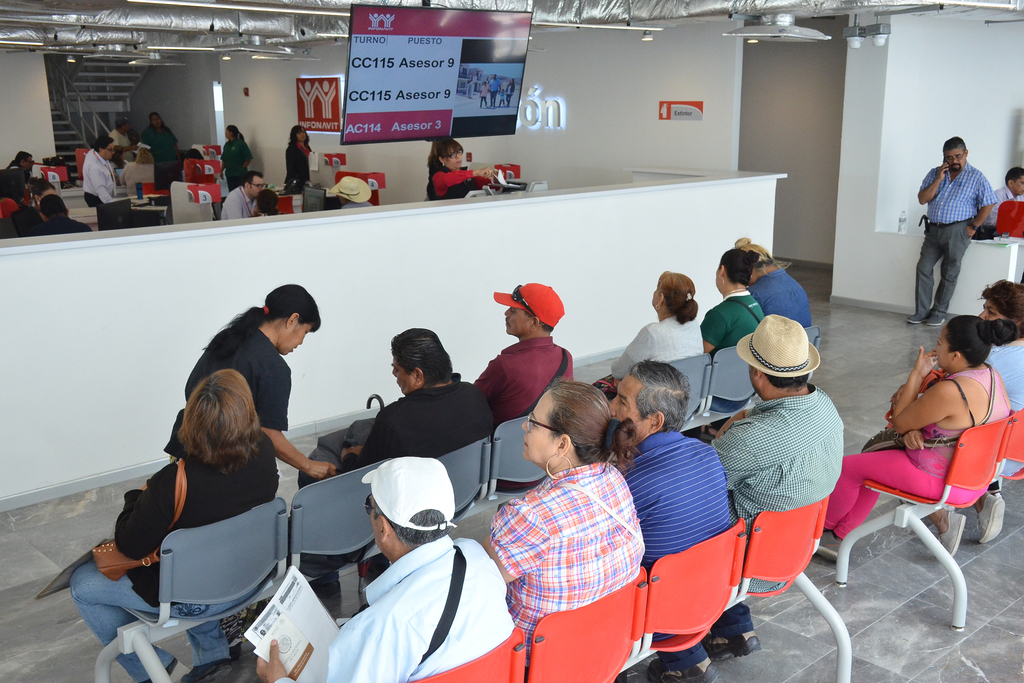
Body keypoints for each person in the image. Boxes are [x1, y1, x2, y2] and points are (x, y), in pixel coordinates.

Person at [72, 369, 279, 683]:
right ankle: (212, 657)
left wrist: (138, 495)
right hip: (252, 578)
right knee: (199, 555)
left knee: (83, 586)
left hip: (197, 598)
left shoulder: (173, 483)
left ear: (190, 422)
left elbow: (129, 544)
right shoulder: (264, 450)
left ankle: (155, 670)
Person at [256, 457, 514, 683]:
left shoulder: (378, 631)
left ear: (384, 528)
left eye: (370, 506)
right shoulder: (478, 560)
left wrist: (278, 680)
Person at [695, 315, 842, 663]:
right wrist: (744, 419)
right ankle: (733, 628)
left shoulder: (751, 439)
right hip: (798, 542)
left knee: (675, 516)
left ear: (757, 373)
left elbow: (701, 487)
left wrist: (730, 431)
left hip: (750, 557)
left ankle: (684, 655)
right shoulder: (824, 405)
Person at [822, 316, 1014, 559]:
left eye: (940, 343)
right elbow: (940, 421)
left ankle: (821, 530)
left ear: (956, 356)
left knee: (847, 469)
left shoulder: (952, 391)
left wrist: (917, 374)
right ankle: (839, 537)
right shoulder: (992, 375)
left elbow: (900, 422)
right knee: (871, 463)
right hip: (977, 477)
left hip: (942, 480)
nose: (935, 348)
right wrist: (913, 428)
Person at [487, 380, 645, 661]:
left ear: (562, 444)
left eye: (533, 422)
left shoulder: (531, 515)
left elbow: (481, 580)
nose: (524, 426)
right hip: (602, 647)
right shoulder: (613, 479)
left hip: (533, 661)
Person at [610, 360, 732, 683]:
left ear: (655, 420)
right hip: (711, 597)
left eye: (622, 401)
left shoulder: (629, 482)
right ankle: (687, 661)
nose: (611, 408)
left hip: (657, 617)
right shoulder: (708, 454)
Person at [164, 284, 334, 482]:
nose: (301, 342)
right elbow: (268, 434)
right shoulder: (272, 366)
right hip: (222, 467)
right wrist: (310, 467)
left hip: (183, 451)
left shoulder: (228, 338)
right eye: (305, 332)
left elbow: (191, 390)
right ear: (293, 320)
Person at [307, 328, 493, 480]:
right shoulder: (474, 395)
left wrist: (350, 455)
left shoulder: (393, 420)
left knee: (326, 449)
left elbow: (357, 479)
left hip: (413, 501)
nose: (394, 374)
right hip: (464, 488)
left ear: (418, 375)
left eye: (397, 369)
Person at [908, 137, 997, 327]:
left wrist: (974, 226)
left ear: (966, 153)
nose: (954, 160)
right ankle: (921, 311)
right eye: (949, 157)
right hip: (933, 229)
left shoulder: (976, 177)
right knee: (923, 268)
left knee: (949, 272)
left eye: (958, 156)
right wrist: (939, 179)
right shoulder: (935, 173)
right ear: (944, 157)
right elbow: (922, 199)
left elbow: (989, 202)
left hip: (958, 230)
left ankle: (938, 312)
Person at [475, 283, 573, 426]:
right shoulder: (566, 357)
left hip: (500, 440)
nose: (506, 313)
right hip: (541, 437)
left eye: (513, 310)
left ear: (534, 323)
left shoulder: (505, 366)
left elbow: (471, 402)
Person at [609, 271, 703, 384]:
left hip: (658, 394)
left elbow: (618, 371)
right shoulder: (693, 325)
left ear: (660, 299)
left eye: (656, 289)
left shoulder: (652, 333)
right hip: (691, 391)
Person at [701, 248, 765, 413]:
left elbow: (697, 358)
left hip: (719, 396)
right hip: (747, 390)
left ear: (722, 271)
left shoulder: (719, 314)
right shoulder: (755, 305)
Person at [734, 237, 812, 327]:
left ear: (749, 269)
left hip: (777, 336)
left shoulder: (755, 295)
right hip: (806, 336)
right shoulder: (796, 286)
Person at [426, 138, 495, 201]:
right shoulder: (438, 176)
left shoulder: (469, 175)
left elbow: (490, 186)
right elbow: (450, 178)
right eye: (452, 155)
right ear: (442, 159)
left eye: (459, 152)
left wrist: (495, 179)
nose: (458, 157)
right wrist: (477, 172)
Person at [980, 167, 1024, 238]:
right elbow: (992, 221)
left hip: (1012, 233)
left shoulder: (1020, 197)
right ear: (1011, 183)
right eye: (1022, 183)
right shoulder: (998, 195)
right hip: (993, 233)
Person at [82, 135, 117, 207]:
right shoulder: (94, 167)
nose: (113, 152)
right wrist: (111, 203)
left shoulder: (97, 154)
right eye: (110, 150)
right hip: (96, 197)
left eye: (113, 150)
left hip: (101, 195)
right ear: (101, 149)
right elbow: (100, 189)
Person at [221, 125, 253, 192]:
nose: (225, 133)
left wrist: (242, 168)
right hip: (229, 174)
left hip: (239, 174)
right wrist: (221, 171)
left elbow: (248, 158)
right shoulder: (226, 145)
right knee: (232, 192)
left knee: (241, 192)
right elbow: (224, 159)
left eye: (226, 131)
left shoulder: (241, 144)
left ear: (231, 133)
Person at [284, 125, 311, 191]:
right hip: (297, 181)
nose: (302, 134)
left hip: (307, 179)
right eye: (299, 133)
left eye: (303, 132)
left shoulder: (307, 147)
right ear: (294, 135)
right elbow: (290, 169)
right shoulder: (291, 149)